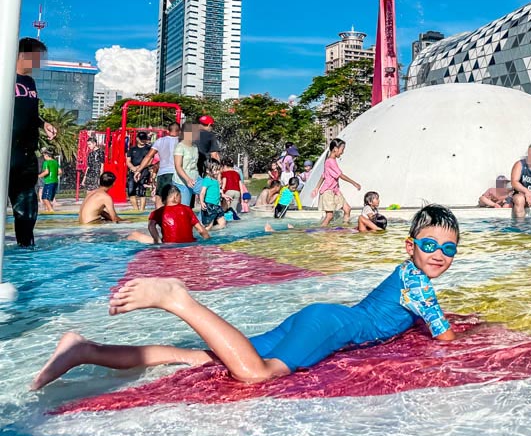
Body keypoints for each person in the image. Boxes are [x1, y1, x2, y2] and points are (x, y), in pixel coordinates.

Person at [32, 204, 462, 391]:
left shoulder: (408, 273)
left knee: (201, 358)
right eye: (430, 246)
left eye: (449, 249)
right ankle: (177, 299)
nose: (439, 256)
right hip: (333, 328)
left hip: (321, 319)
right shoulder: (421, 287)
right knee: (256, 374)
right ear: (410, 246)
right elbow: (445, 338)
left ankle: (83, 350)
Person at [9, 38, 58, 246]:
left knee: (27, 207)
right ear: (22, 55)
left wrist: (43, 123)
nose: (40, 63)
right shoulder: (4, 75)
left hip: (27, 154)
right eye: (37, 58)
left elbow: (27, 112)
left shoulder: (29, 82)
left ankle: (26, 248)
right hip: (7, 152)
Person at [127, 185, 211, 245]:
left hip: (168, 245)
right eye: (180, 197)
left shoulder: (158, 212)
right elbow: (201, 230)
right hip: (190, 243)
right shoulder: (187, 209)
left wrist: (158, 241)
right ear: (175, 197)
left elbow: (151, 226)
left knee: (134, 235)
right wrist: (208, 241)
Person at [312, 139, 361, 226]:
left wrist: (316, 187)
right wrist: (354, 183)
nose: (343, 152)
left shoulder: (331, 160)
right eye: (342, 149)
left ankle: (344, 227)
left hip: (335, 190)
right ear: (335, 149)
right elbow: (340, 175)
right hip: (328, 191)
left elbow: (324, 175)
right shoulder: (330, 161)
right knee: (329, 216)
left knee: (347, 209)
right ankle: (320, 231)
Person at [137, 122, 181, 209]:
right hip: (179, 174)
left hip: (163, 173)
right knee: (177, 198)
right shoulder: (182, 142)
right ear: (179, 131)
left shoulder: (160, 141)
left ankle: (159, 218)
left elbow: (148, 156)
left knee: (159, 198)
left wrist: (139, 170)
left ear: (168, 131)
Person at [125, 132, 153, 213]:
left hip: (144, 170)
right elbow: (128, 161)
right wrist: (134, 168)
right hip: (133, 170)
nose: (142, 141)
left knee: (142, 190)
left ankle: (142, 210)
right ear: (137, 139)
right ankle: (136, 209)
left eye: (144, 139)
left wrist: (140, 168)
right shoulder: (132, 149)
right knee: (131, 190)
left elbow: (150, 161)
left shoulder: (148, 149)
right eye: (141, 139)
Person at [173, 125, 201, 206]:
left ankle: (201, 218)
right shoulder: (180, 146)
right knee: (184, 208)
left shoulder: (195, 147)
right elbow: (178, 166)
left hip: (195, 178)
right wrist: (187, 179)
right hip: (182, 181)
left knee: (211, 192)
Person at [198, 161, 225, 229]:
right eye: (215, 170)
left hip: (216, 205)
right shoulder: (207, 180)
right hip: (209, 205)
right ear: (207, 170)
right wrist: (201, 202)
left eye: (218, 170)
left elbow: (217, 192)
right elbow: (202, 192)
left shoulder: (215, 180)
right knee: (209, 225)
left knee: (223, 224)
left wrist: (224, 196)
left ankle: (214, 234)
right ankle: (205, 234)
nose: (217, 172)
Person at [38, 148, 59, 214]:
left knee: (44, 198)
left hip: (49, 182)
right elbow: (60, 172)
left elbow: (46, 172)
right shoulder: (55, 162)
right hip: (55, 182)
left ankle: (51, 210)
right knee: (49, 198)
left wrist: (38, 176)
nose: (44, 157)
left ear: (47, 155)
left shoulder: (46, 162)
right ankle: (48, 210)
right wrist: (53, 174)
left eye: (44, 156)